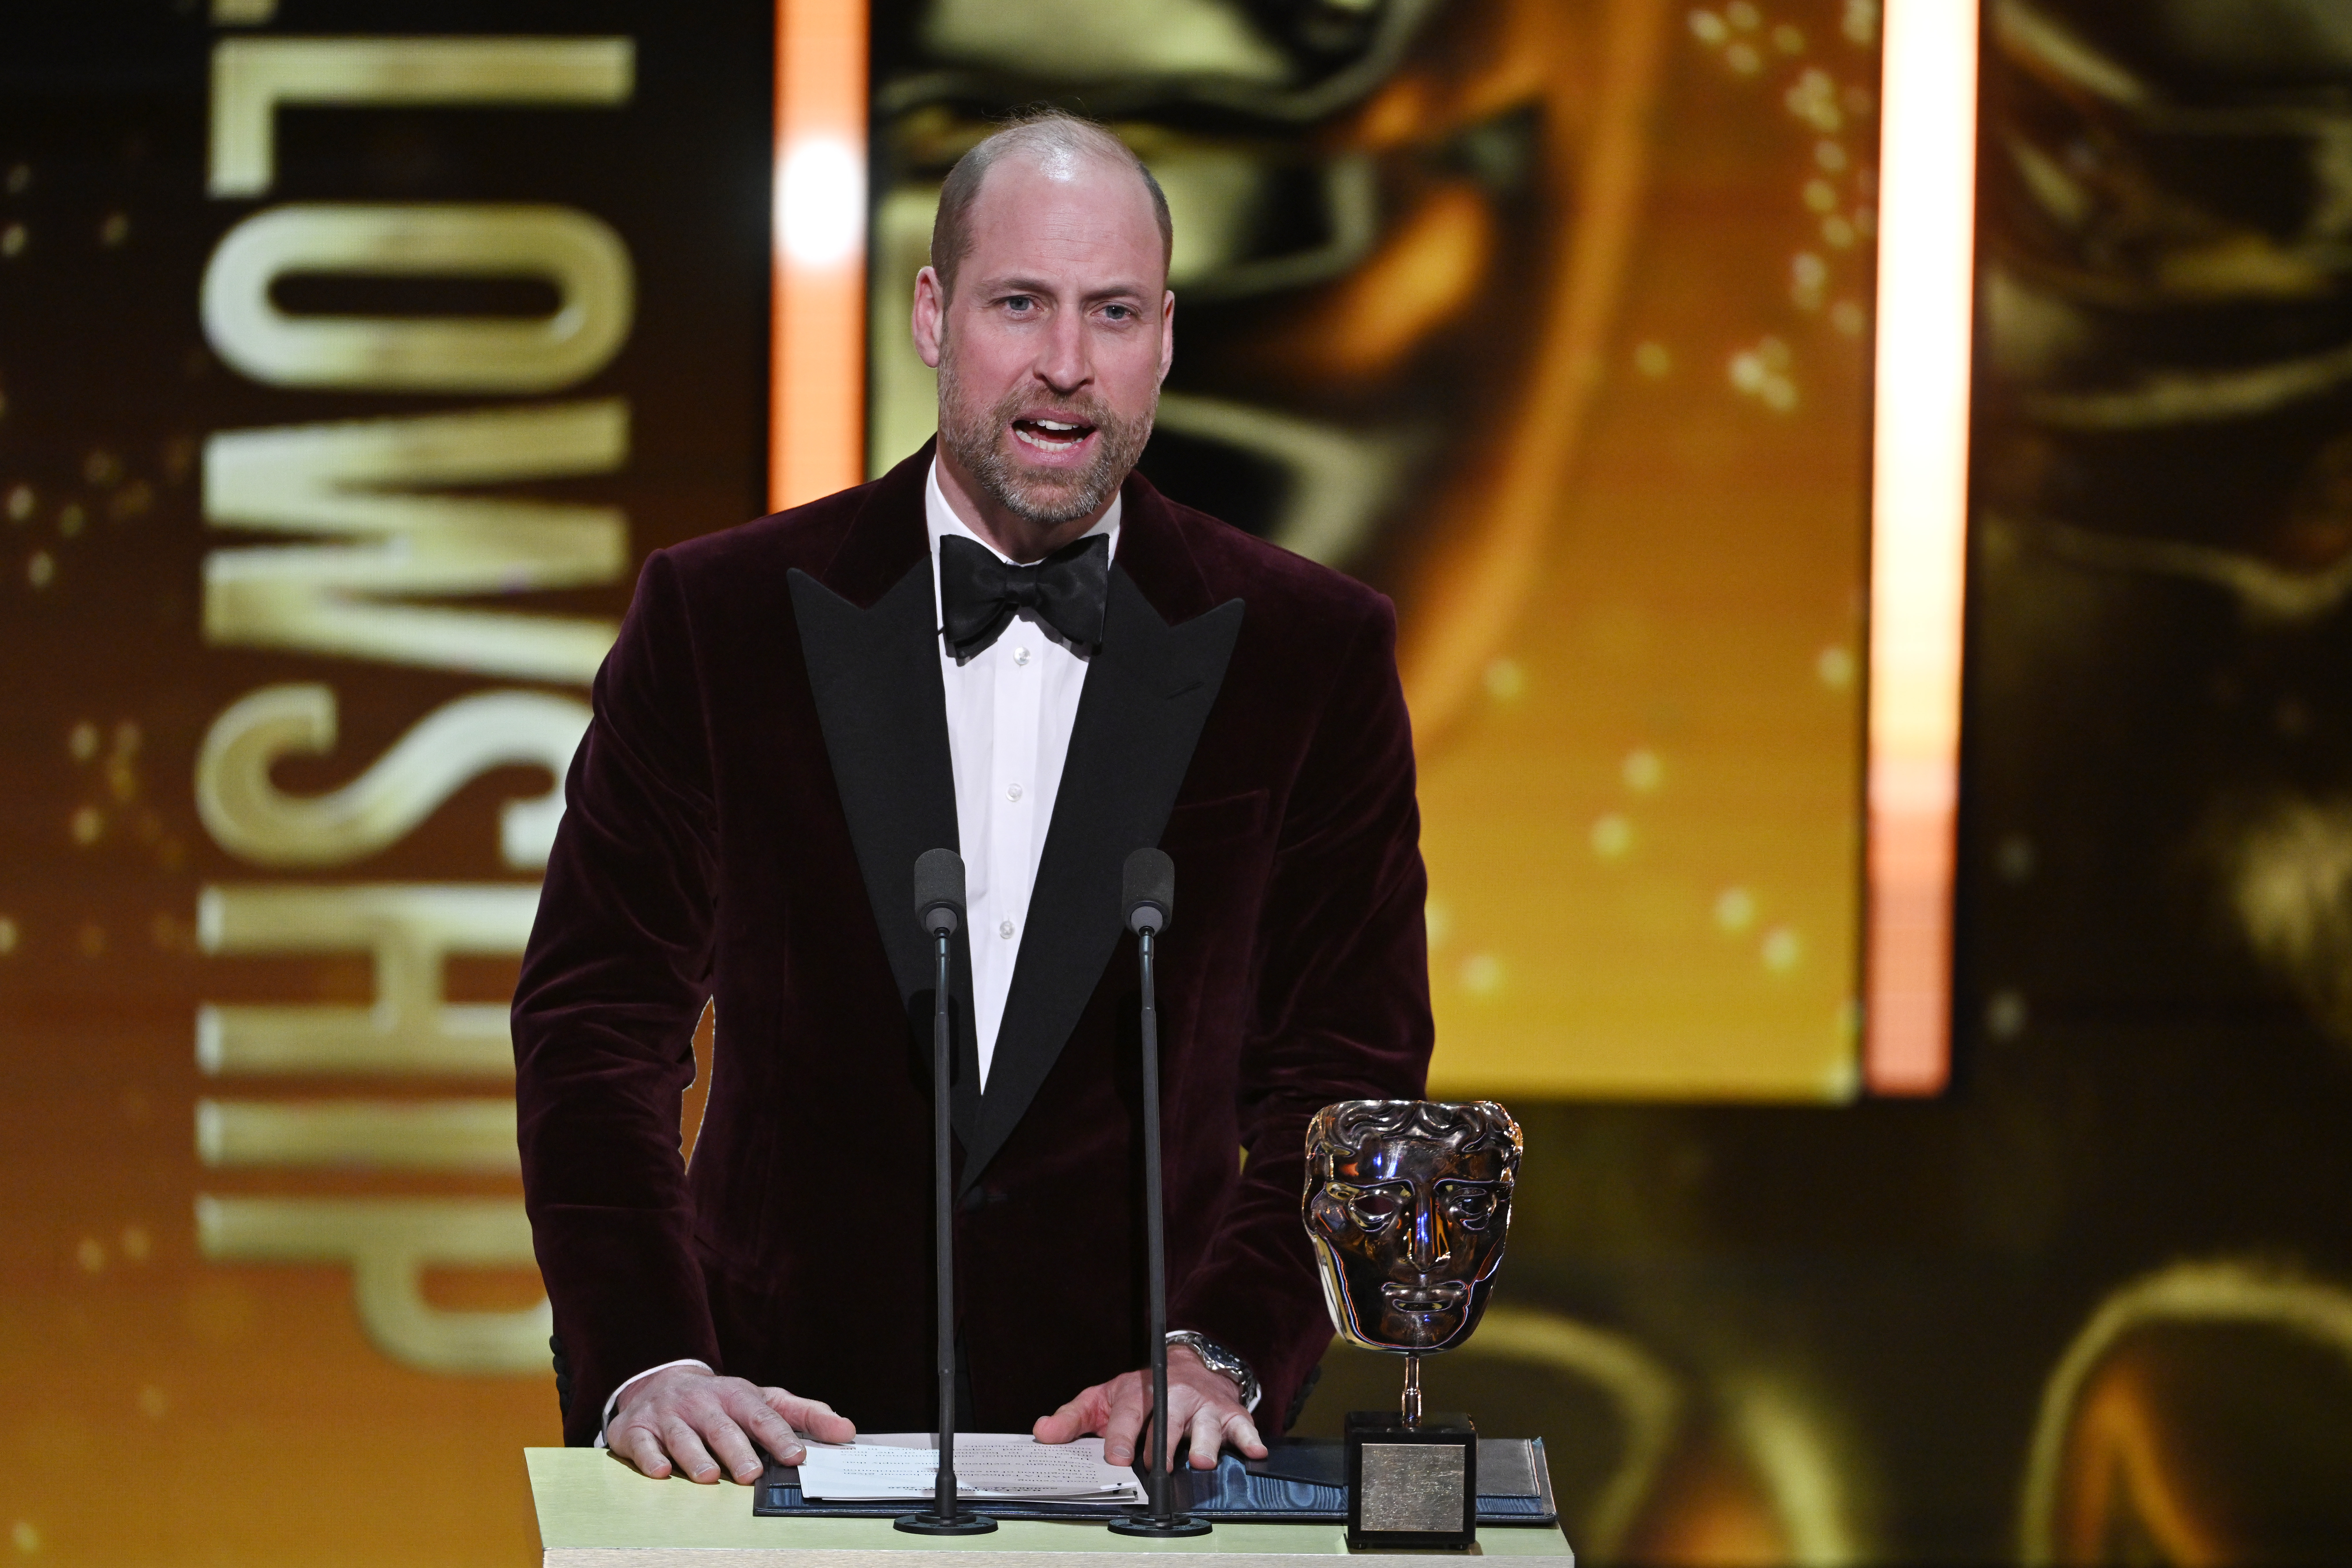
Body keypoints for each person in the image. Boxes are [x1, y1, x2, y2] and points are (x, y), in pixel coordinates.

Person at [512, 108, 1432, 1488]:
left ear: (1167, 337)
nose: (1067, 366)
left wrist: (1223, 1354)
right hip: (772, 1454)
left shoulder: (1309, 654)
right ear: (933, 315)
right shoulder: (719, 621)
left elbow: (1344, 1079)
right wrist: (651, 1356)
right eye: (1022, 304)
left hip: (1142, 1480)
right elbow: (596, 1023)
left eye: (1112, 312)